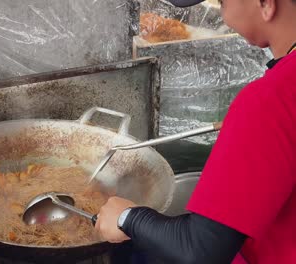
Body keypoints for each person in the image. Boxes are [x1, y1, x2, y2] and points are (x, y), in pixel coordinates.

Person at [95, 0, 296, 263]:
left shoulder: (269, 101)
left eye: (223, 2)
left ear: (266, 3)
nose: (223, 16)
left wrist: (127, 217)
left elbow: (200, 251)